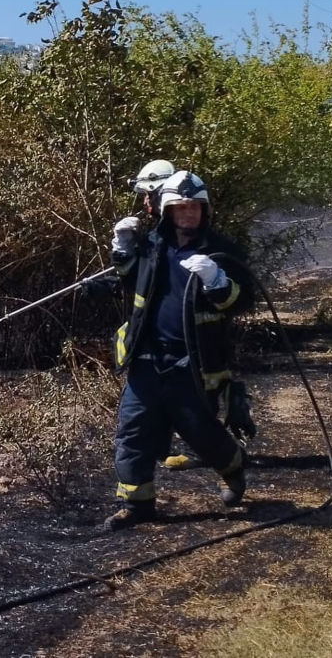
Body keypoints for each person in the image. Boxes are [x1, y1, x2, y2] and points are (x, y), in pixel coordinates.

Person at [103, 169, 256, 531]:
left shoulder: (222, 252)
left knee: (199, 431)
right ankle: (136, 504)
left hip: (193, 361)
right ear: (167, 211)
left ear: (204, 210)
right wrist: (122, 249)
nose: (188, 214)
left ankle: (233, 465)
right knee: (133, 432)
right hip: (146, 357)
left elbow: (243, 301)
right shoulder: (151, 246)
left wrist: (218, 281)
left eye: (194, 207)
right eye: (180, 207)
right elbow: (129, 280)